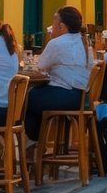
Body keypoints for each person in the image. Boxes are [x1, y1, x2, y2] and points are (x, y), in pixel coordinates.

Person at [24, 7, 92, 143]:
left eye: (53, 23)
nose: (51, 26)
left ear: (61, 26)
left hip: (66, 96)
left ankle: (37, 141)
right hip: (82, 97)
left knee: (27, 98)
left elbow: (41, 66)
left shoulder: (57, 43)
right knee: (36, 95)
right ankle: (46, 141)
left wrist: (50, 40)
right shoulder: (84, 42)